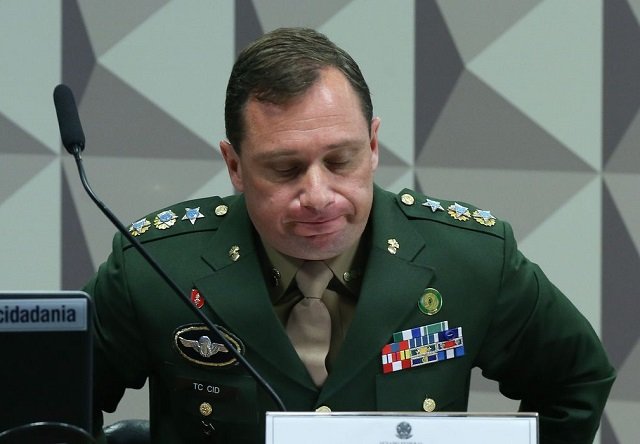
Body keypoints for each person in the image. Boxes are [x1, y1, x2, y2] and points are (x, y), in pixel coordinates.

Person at [86, 27, 615, 444]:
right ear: (235, 166)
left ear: (374, 145)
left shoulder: (470, 258)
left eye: (341, 160)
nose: (318, 196)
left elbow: (576, 379)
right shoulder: (155, 266)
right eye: (285, 169)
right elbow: (50, 398)